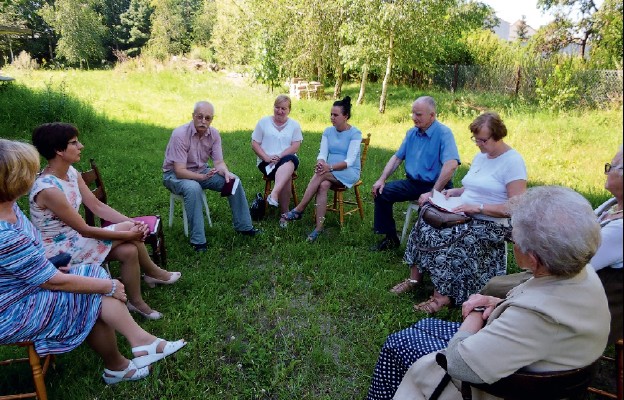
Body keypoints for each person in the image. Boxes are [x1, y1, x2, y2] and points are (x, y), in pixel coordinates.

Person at [367, 186, 610, 400]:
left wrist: (477, 310)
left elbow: (459, 364)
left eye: (514, 238)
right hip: (536, 359)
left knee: (398, 344)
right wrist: (498, 302)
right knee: (425, 326)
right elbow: (534, 307)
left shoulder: (537, 316)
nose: (512, 240)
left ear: (534, 259)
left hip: (501, 386)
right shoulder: (582, 273)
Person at [0, 139, 186, 385]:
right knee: (94, 288)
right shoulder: (5, 233)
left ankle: (131, 354)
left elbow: (28, 258)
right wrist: (109, 286)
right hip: (11, 310)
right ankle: (131, 353)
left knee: (92, 277)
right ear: (13, 180)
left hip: (29, 284)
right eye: (28, 171)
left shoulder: (9, 207)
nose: (33, 175)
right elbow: (54, 283)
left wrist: (51, 262)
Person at [30, 123, 180, 320]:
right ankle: (152, 272)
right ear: (59, 150)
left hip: (76, 241)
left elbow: (97, 206)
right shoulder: (48, 189)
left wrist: (133, 224)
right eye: (74, 143)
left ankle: (135, 302)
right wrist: (129, 232)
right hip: (59, 254)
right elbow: (85, 230)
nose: (81, 146)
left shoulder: (71, 173)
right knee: (129, 236)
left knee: (129, 250)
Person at [481, 146, 623, 345]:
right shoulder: (611, 206)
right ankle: (498, 333)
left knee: (496, 289)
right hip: (563, 275)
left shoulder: (620, 229)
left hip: (583, 297)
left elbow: (576, 262)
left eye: (612, 167)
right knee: (495, 284)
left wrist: (536, 245)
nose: (607, 171)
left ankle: (504, 340)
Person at [394, 112, 527, 315]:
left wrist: (478, 207)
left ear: (498, 136)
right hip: (464, 212)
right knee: (425, 221)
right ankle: (414, 279)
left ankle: (441, 297)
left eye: (483, 140)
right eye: (476, 139)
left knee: (452, 236)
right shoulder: (481, 156)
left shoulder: (512, 161)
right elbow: (475, 188)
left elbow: (515, 206)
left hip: (490, 222)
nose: (478, 144)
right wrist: (454, 192)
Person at [163, 101, 261, 252]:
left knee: (234, 181)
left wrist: (225, 172)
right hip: (175, 176)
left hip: (201, 171)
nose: (203, 121)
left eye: (207, 118)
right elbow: (179, 170)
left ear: (212, 120)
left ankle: (244, 227)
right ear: (193, 116)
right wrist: (201, 178)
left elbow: (219, 162)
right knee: (193, 188)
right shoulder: (180, 134)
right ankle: (198, 241)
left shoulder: (213, 134)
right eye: (200, 117)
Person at [371, 96, 460, 251]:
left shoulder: (444, 133)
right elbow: (397, 157)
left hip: (437, 185)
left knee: (427, 208)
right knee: (382, 192)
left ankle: (421, 247)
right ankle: (391, 238)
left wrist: (433, 192)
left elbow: (451, 165)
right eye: (413, 113)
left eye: (418, 114)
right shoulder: (412, 133)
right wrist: (381, 179)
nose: (413, 118)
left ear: (432, 115)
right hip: (413, 183)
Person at [282, 96, 362, 241]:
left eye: (336, 115)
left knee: (321, 175)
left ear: (346, 116)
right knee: (323, 185)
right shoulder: (328, 131)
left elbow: (349, 161)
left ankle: (299, 209)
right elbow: (323, 153)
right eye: (331, 114)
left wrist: (328, 167)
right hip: (329, 171)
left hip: (348, 172)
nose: (332, 117)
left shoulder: (355, 133)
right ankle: (319, 228)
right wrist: (320, 163)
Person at [251, 94, 303, 227]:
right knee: (287, 176)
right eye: (277, 107)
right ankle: (284, 215)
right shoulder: (263, 122)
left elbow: (295, 146)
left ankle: (274, 195)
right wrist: (267, 157)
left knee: (289, 160)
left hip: (287, 159)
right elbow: (255, 144)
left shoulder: (294, 125)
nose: (280, 111)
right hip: (266, 162)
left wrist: (280, 156)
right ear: (273, 107)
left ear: (289, 110)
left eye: (283, 108)